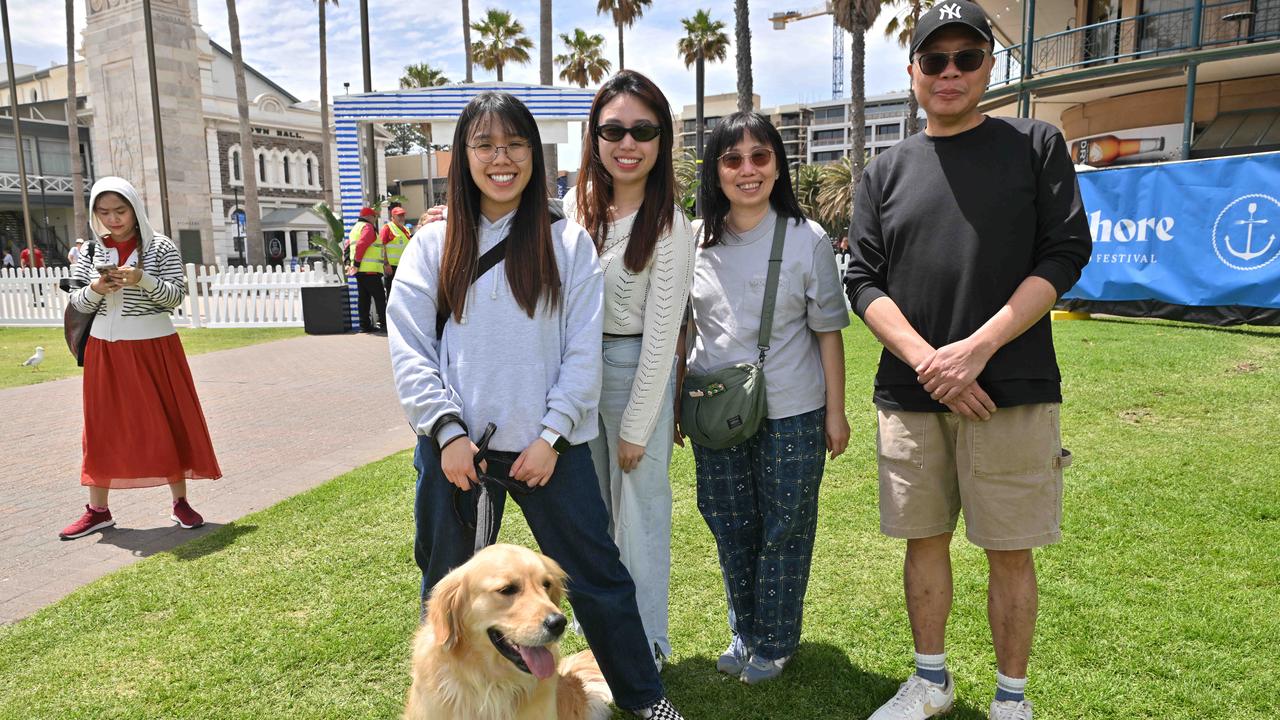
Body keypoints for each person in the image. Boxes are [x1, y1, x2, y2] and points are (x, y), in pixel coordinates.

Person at [386, 90, 686, 720]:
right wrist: (446, 432)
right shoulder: (432, 246)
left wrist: (551, 435)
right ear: (461, 156)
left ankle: (644, 696)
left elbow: (583, 353)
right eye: (485, 145)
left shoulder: (566, 242)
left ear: (536, 153)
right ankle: (442, 700)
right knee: (446, 584)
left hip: (549, 449)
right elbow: (410, 348)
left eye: (516, 144)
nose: (502, 159)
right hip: (457, 451)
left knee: (598, 577)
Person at [845, 3, 1091, 719]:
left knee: (1010, 548)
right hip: (912, 392)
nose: (950, 72)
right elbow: (863, 280)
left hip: (1009, 387)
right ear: (914, 70)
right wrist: (932, 364)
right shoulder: (883, 171)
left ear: (990, 65)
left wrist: (977, 350)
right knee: (924, 541)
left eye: (967, 58)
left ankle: (1011, 699)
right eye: (935, 59)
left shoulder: (1035, 144)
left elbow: (1065, 253)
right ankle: (931, 681)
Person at [685, 111, 851, 684]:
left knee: (785, 526)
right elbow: (685, 328)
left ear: (778, 165)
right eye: (732, 159)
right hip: (714, 414)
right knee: (730, 523)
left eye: (760, 157)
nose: (747, 170)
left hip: (793, 412)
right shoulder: (693, 238)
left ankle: (775, 643)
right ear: (716, 170)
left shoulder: (808, 240)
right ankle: (744, 631)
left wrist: (836, 412)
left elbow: (828, 332)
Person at [562, 70, 696, 671]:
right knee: (592, 521)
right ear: (594, 138)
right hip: (579, 377)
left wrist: (641, 423)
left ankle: (647, 647)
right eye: (613, 129)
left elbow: (664, 335)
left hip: (635, 370)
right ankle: (606, 642)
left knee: (639, 517)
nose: (627, 143)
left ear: (662, 139)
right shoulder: (576, 208)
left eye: (643, 130)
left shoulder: (670, 225)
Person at [58, 176, 222, 540]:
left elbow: (175, 298)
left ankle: (180, 502)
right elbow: (77, 303)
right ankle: (98, 511)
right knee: (100, 427)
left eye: (120, 210)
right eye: (103, 212)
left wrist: (142, 279)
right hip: (105, 348)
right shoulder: (89, 251)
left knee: (167, 418)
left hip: (155, 346)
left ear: (135, 209)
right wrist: (99, 288)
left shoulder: (160, 247)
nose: (113, 219)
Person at [346, 206, 388, 334]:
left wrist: (349, 263)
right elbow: (362, 245)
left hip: (360, 271)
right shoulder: (368, 227)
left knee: (364, 298)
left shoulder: (354, 229)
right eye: (374, 217)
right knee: (380, 298)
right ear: (370, 217)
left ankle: (365, 325)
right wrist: (357, 263)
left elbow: (347, 246)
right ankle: (385, 325)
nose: (375, 219)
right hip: (370, 270)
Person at [380, 205, 411, 298]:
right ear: (392, 217)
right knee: (392, 293)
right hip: (392, 267)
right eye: (399, 216)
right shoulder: (388, 228)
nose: (402, 218)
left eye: (403, 215)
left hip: (403, 266)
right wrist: (386, 264)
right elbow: (381, 245)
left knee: (403, 292)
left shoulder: (406, 229)